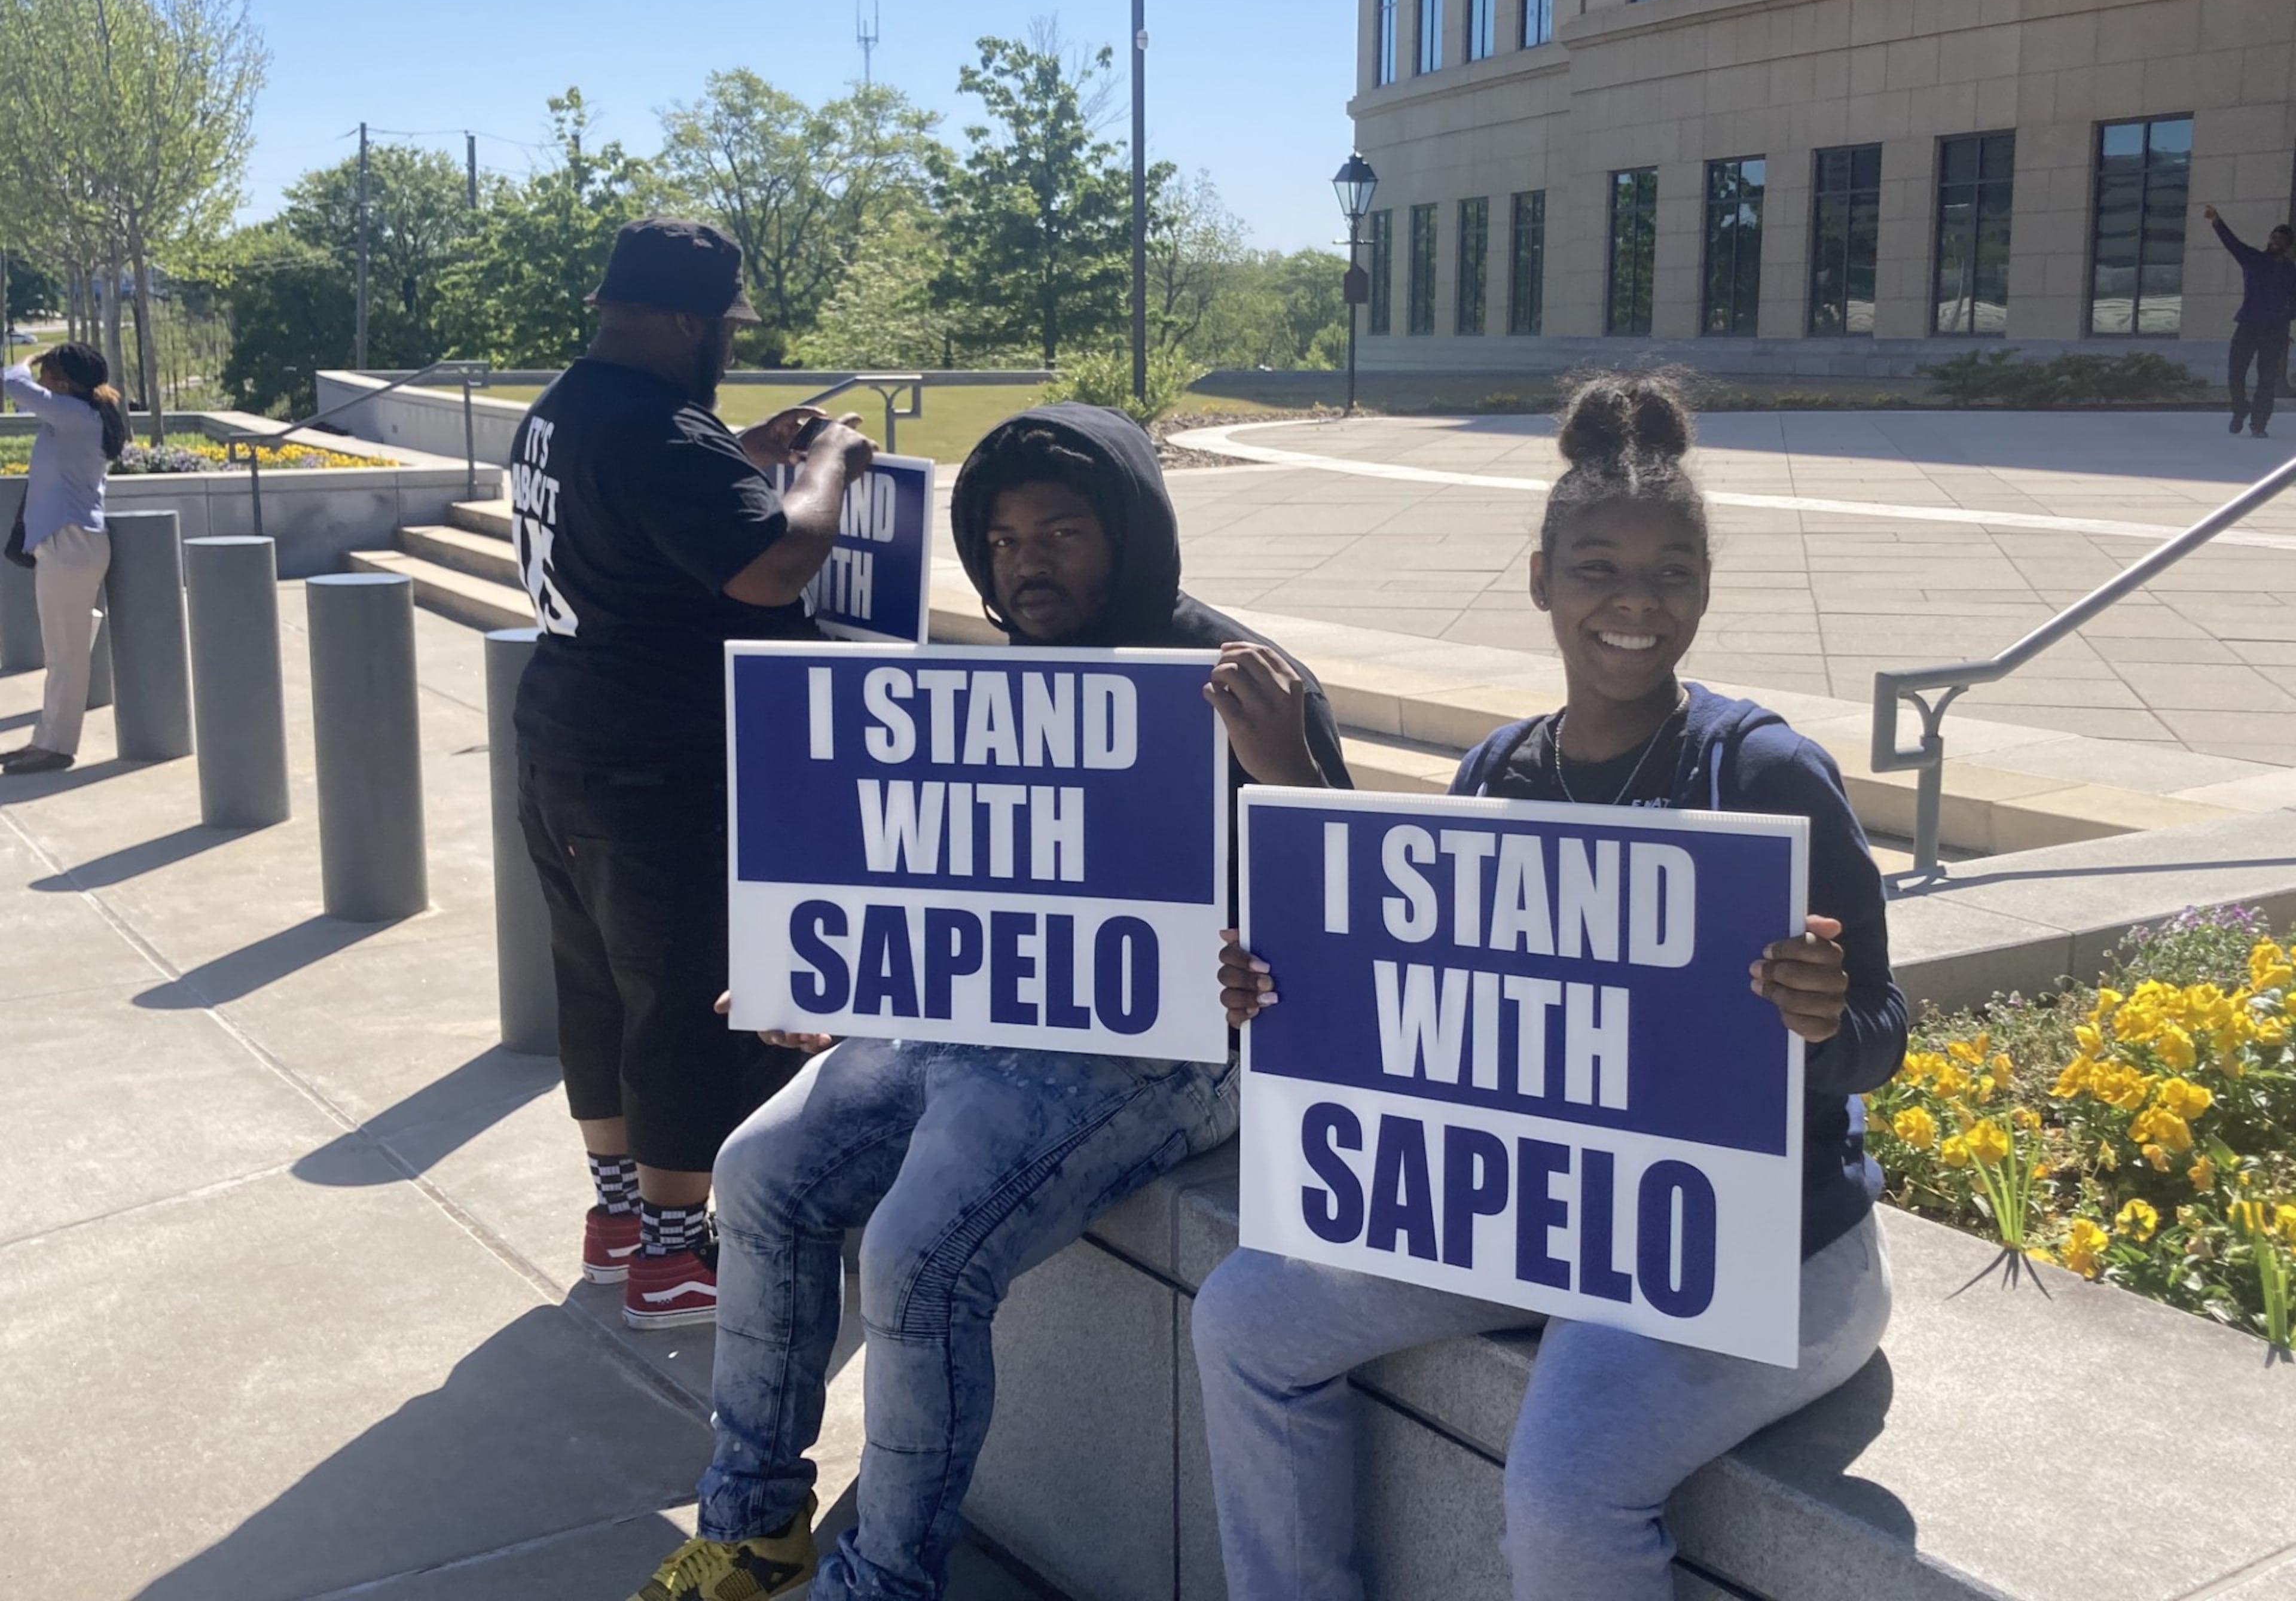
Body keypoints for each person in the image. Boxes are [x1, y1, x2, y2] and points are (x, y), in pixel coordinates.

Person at [1190, 372, 1907, 1601]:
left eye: (1672, 572)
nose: (1636, 603)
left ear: (1705, 587)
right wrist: (1282, 996)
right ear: (1542, 579)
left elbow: (1884, 1035)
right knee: (1245, 1315)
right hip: (1539, 1217)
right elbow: (1427, 1023)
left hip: (1763, 1248)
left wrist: (1824, 1017)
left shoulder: (1766, 773)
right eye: (1599, 569)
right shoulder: (1494, 773)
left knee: (1565, 1485)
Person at [628, 404, 1354, 1601]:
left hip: (1168, 1056)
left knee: (919, 1258)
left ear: (1128, 530)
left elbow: (1353, 920)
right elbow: (936, 887)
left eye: (1062, 532)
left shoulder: (1236, 680)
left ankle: (889, 1579)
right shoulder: (991, 682)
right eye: (1006, 539)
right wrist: (839, 976)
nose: (1029, 561)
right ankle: (753, 1526)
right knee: (758, 1174)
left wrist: (1279, 820)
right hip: (981, 1021)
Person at [511, 216, 880, 1329]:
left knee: (596, 987)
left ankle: (620, 1216)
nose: (728, 341)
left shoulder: (566, 409)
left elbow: (649, 502)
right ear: (683, 321)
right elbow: (773, 566)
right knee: (682, 998)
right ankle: (675, 1257)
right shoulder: (653, 434)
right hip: (657, 765)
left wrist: (744, 452)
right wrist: (826, 468)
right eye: (723, 325)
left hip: (566, 742)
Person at [1, 342, 125, 775]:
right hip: (69, 545)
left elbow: (10, 382)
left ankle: (58, 747)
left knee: (66, 656)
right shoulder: (76, 417)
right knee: (63, 652)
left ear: (63, 383)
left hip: (69, 545)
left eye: (47, 377)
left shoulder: (75, 417)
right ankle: (46, 740)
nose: (40, 384)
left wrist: (28, 359)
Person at [2203, 204, 2296, 438]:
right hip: (2248, 325)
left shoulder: (2291, 271)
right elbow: (2232, 244)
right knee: (2236, 374)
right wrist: (2217, 221)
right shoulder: (2253, 259)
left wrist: (2286, 319)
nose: (2275, 241)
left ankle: (2259, 424)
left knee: (2267, 380)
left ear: (2287, 245)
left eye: (2281, 238)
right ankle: (2240, 409)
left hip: (2274, 331)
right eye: (2274, 236)